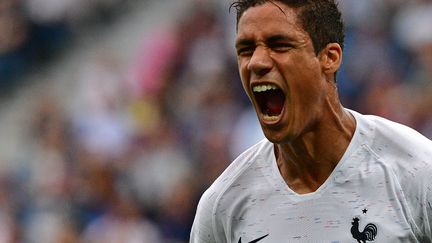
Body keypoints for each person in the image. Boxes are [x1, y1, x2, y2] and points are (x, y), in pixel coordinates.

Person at [190, 0, 432, 242]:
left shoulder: (416, 172)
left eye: (279, 45)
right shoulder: (222, 206)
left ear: (329, 57)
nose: (256, 62)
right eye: (246, 49)